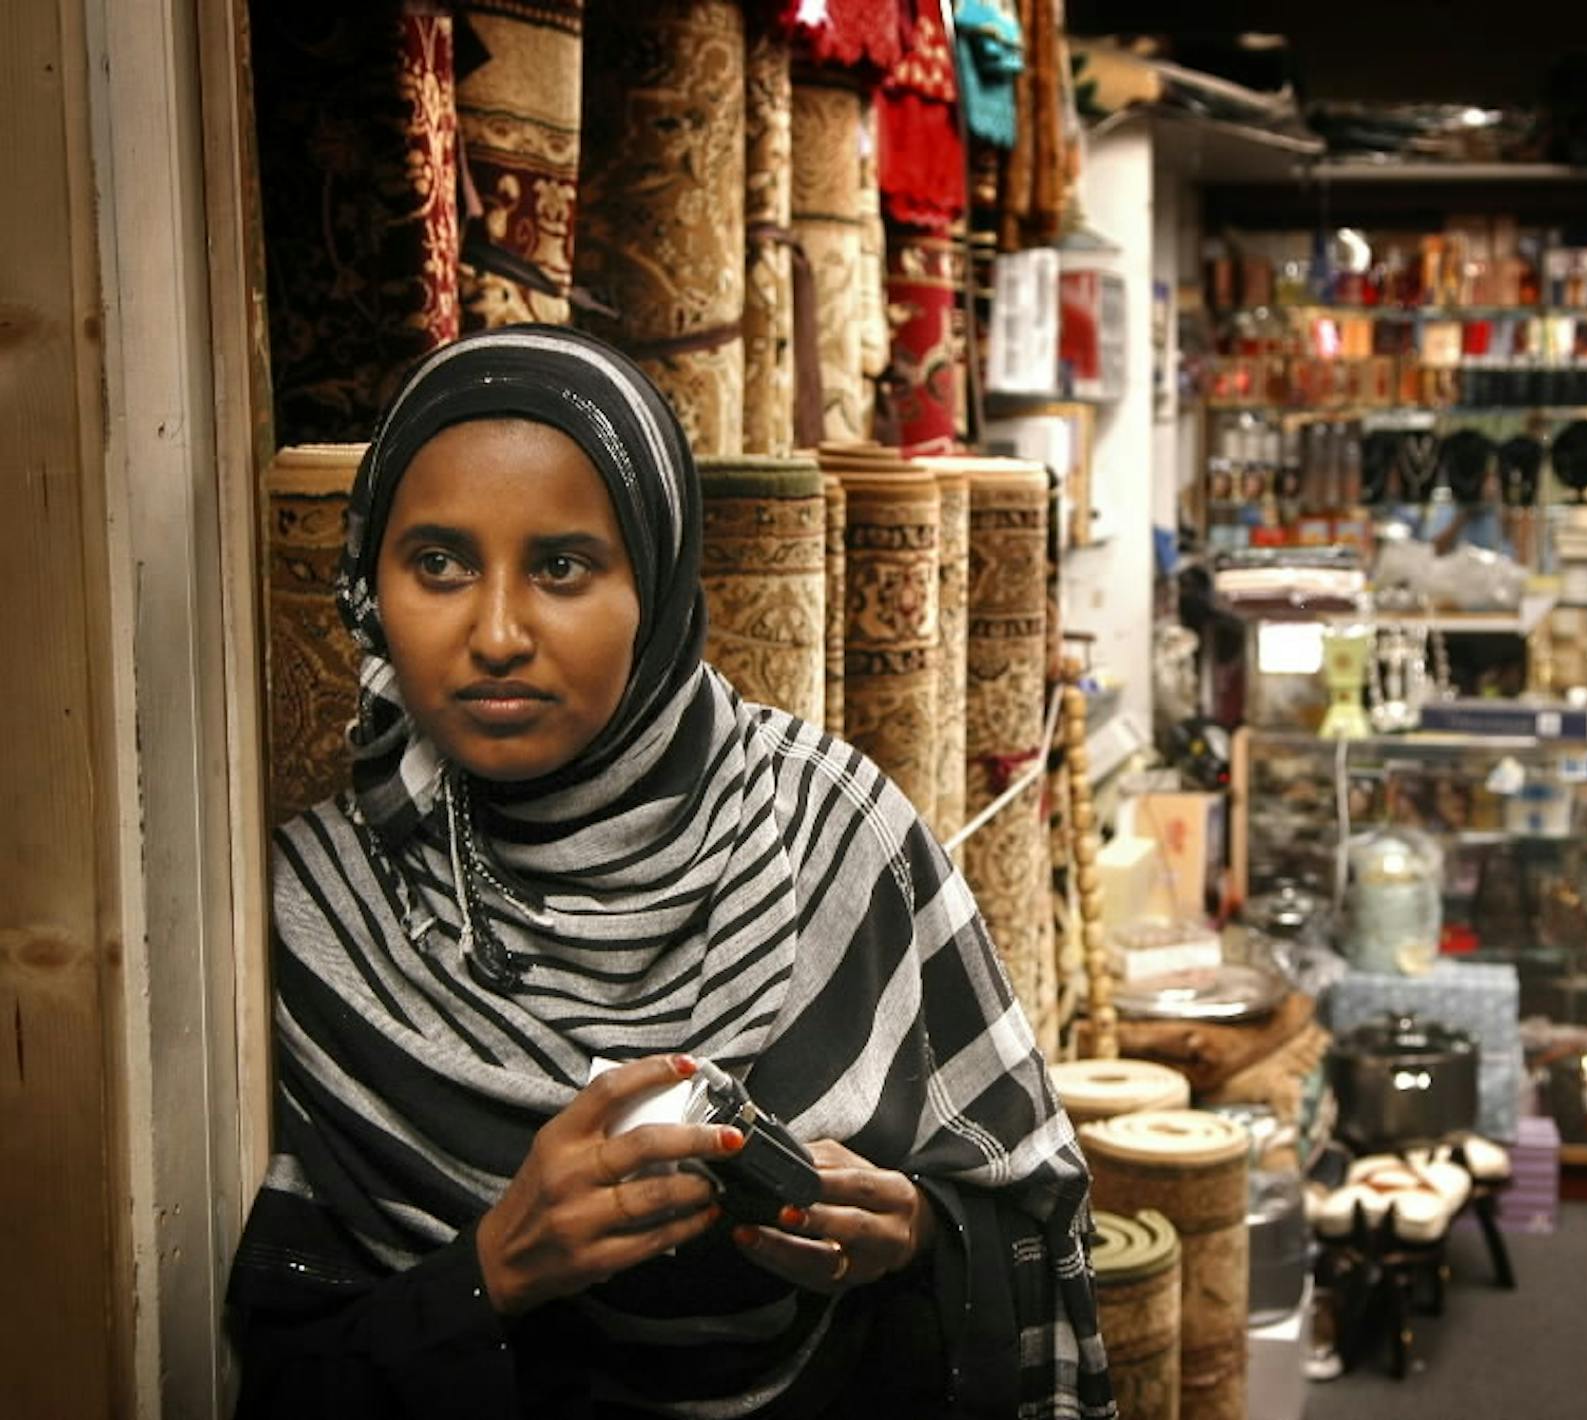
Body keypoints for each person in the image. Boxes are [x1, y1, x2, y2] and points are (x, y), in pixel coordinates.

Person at [226, 326, 1115, 1418]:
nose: (496, 632)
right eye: (440, 563)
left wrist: (917, 1231)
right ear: (372, 587)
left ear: (655, 577)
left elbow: (1030, 1209)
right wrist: (495, 1267)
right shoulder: (324, 906)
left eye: (561, 565)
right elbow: (278, 1377)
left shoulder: (834, 828)